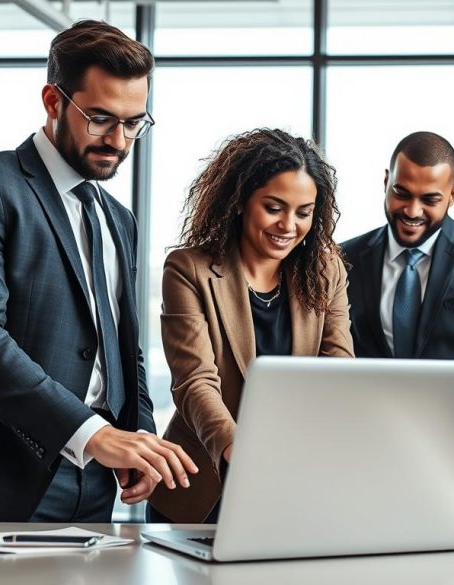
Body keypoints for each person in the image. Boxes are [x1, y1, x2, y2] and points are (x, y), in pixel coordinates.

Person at [0, 20, 197, 522]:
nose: (119, 140)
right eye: (101, 118)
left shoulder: (117, 218)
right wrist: (91, 433)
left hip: (97, 484)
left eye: (134, 123)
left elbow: (124, 352)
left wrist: (140, 437)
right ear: (53, 101)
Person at [147, 128, 354, 523]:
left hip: (293, 485)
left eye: (303, 212)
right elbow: (195, 381)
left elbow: (338, 371)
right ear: (241, 201)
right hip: (204, 485)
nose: (288, 225)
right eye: (273, 207)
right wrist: (236, 447)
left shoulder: (327, 272)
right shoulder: (189, 269)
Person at [341, 131, 454, 527]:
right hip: (366, 469)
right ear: (385, 181)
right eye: (401, 193)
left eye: (430, 199)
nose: (412, 210)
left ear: (453, 195)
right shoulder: (343, 259)